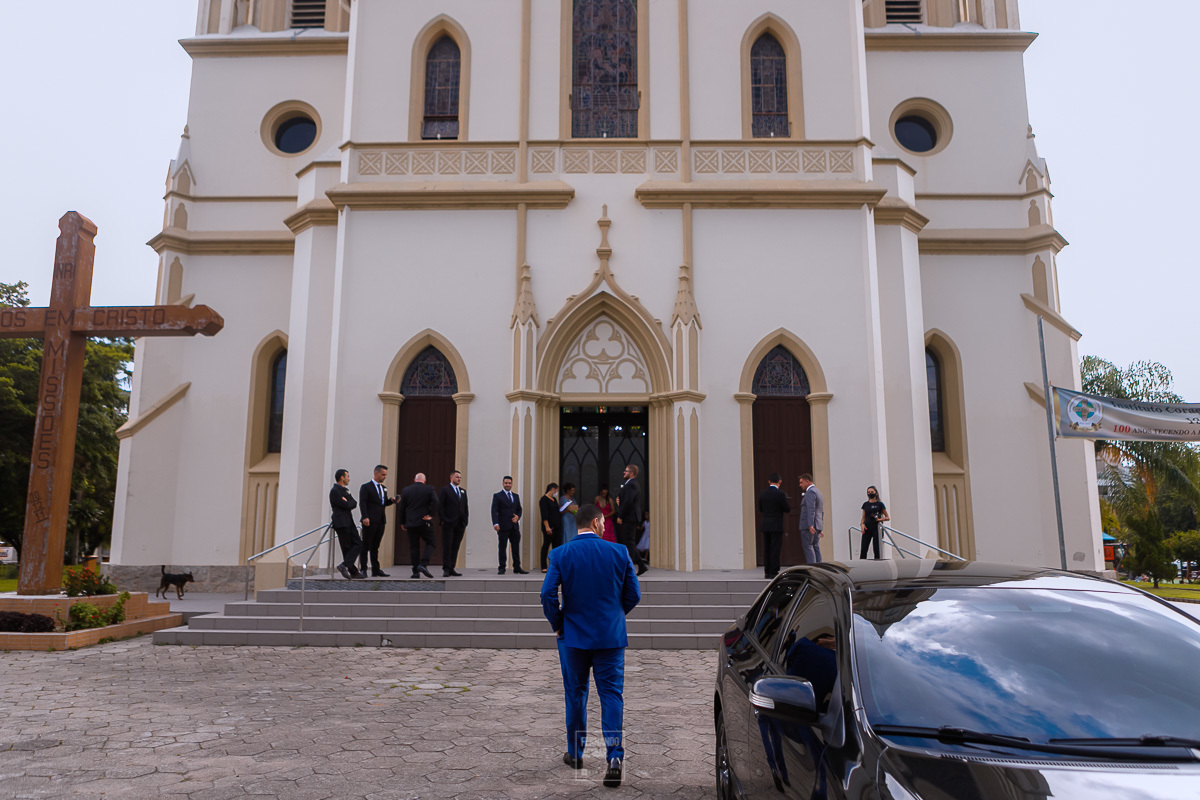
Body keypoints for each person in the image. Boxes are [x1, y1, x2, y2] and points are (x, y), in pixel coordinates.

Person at [540, 504, 642, 788]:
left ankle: (576, 753)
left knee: (575, 694)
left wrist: (558, 623)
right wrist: (614, 615)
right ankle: (614, 757)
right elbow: (634, 594)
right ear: (597, 523)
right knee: (611, 695)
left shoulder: (560, 554)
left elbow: (547, 594)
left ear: (578, 525)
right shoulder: (619, 552)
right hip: (610, 636)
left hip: (573, 637)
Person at [398, 472, 438, 579]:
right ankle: (423, 564)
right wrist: (431, 515)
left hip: (411, 523)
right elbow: (436, 502)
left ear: (414, 480)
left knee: (414, 546)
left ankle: (415, 571)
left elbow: (402, 508)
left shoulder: (406, 490)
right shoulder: (429, 489)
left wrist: (402, 522)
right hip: (424, 522)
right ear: (424, 481)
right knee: (431, 543)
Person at [358, 465, 396, 577]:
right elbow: (363, 502)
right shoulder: (366, 487)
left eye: (385, 475)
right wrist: (365, 517)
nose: (385, 477)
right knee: (365, 545)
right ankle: (363, 569)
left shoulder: (383, 488)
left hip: (381, 520)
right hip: (369, 520)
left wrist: (392, 501)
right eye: (383, 474)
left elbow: (382, 504)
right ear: (376, 473)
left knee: (375, 546)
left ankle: (376, 569)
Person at [328, 469, 362, 579]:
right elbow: (345, 505)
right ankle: (353, 571)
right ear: (342, 477)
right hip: (341, 522)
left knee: (358, 543)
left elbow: (354, 503)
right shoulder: (335, 491)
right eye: (347, 476)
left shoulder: (346, 490)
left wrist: (347, 502)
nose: (349, 478)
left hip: (349, 521)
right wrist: (347, 502)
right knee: (347, 547)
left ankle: (344, 565)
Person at [616, 465, 648, 576]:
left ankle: (631, 567)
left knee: (629, 543)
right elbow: (626, 499)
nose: (624, 472)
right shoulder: (630, 484)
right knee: (629, 542)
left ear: (632, 473)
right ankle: (641, 565)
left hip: (629, 517)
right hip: (630, 517)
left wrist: (621, 515)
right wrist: (619, 500)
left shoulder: (631, 484)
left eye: (626, 471)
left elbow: (629, 502)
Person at [491, 476, 527, 575]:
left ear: (512, 484)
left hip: (514, 526)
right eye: (506, 483)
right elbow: (494, 511)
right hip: (503, 526)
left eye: (509, 483)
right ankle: (502, 567)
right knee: (502, 547)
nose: (508, 485)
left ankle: (517, 567)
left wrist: (518, 517)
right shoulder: (498, 496)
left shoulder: (516, 496)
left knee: (515, 547)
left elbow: (519, 509)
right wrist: (495, 523)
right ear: (503, 484)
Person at [758, 473, 791, 579]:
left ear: (769, 481)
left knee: (767, 548)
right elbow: (787, 509)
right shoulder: (780, 494)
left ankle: (766, 571)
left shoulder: (762, 494)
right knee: (775, 548)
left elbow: (761, 509)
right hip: (776, 524)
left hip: (766, 524)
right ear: (779, 482)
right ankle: (773, 571)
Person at [437, 469, 468, 577]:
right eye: (456, 477)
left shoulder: (463, 492)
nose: (458, 479)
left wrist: (465, 520)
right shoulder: (444, 490)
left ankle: (452, 568)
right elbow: (440, 506)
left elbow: (465, 507)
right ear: (451, 478)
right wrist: (443, 520)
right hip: (448, 523)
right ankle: (446, 568)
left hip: (460, 524)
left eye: (460, 477)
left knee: (456, 546)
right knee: (447, 546)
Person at [797, 473, 825, 564]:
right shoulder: (818, 491)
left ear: (807, 481)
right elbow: (820, 511)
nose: (800, 485)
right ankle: (819, 567)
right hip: (817, 525)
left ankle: (812, 569)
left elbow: (811, 509)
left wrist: (810, 524)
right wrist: (820, 526)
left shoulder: (810, 492)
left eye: (801, 482)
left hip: (809, 525)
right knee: (815, 546)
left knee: (808, 546)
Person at [859, 485, 890, 560]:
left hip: (877, 528)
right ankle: (862, 565)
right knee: (864, 549)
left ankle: (878, 565)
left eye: (872, 492)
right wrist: (862, 524)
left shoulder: (880, 504)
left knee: (876, 549)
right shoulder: (865, 504)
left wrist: (879, 520)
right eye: (868, 492)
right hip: (867, 528)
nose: (870, 493)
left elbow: (887, 517)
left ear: (876, 493)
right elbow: (863, 517)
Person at [540, 483, 562, 573]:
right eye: (556, 490)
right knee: (546, 545)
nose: (556, 492)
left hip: (557, 526)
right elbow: (544, 515)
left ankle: (555, 565)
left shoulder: (554, 500)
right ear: (552, 489)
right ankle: (543, 566)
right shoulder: (544, 500)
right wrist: (547, 527)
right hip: (549, 527)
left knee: (556, 546)